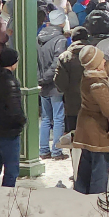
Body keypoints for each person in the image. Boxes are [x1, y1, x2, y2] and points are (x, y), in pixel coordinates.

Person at [72, 45, 109, 194]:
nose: (105, 61)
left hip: (86, 131)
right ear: (95, 64)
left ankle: (80, 199)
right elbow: (108, 110)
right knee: (99, 172)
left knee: (85, 169)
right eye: (102, 59)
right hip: (98, 132)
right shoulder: (98, 84)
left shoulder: (89, 75)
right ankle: (96, 202)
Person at [0, 48, 27, 187]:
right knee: (11, 169)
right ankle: (7, 196)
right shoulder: (10, 82)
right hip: (9, 131)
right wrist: (21, 121)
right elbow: (14, 108)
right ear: (14, 63)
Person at [37, 9, 69, 160]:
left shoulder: (39, 36)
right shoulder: (60, 40)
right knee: (57, 118)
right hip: (55, 84)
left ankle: (43, 150)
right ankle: (56, 151)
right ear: (62, 22)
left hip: (43, 83)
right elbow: (58, 62)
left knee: (45, 118)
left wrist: (41, 78)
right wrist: (48, 78)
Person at [53, 26, 90, 134]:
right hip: (92, 101)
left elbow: (60, 82)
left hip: (72, 103)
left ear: (72, 39)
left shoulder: (65, 57)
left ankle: (75, 151)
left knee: (74, 135)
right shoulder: (94, 54)